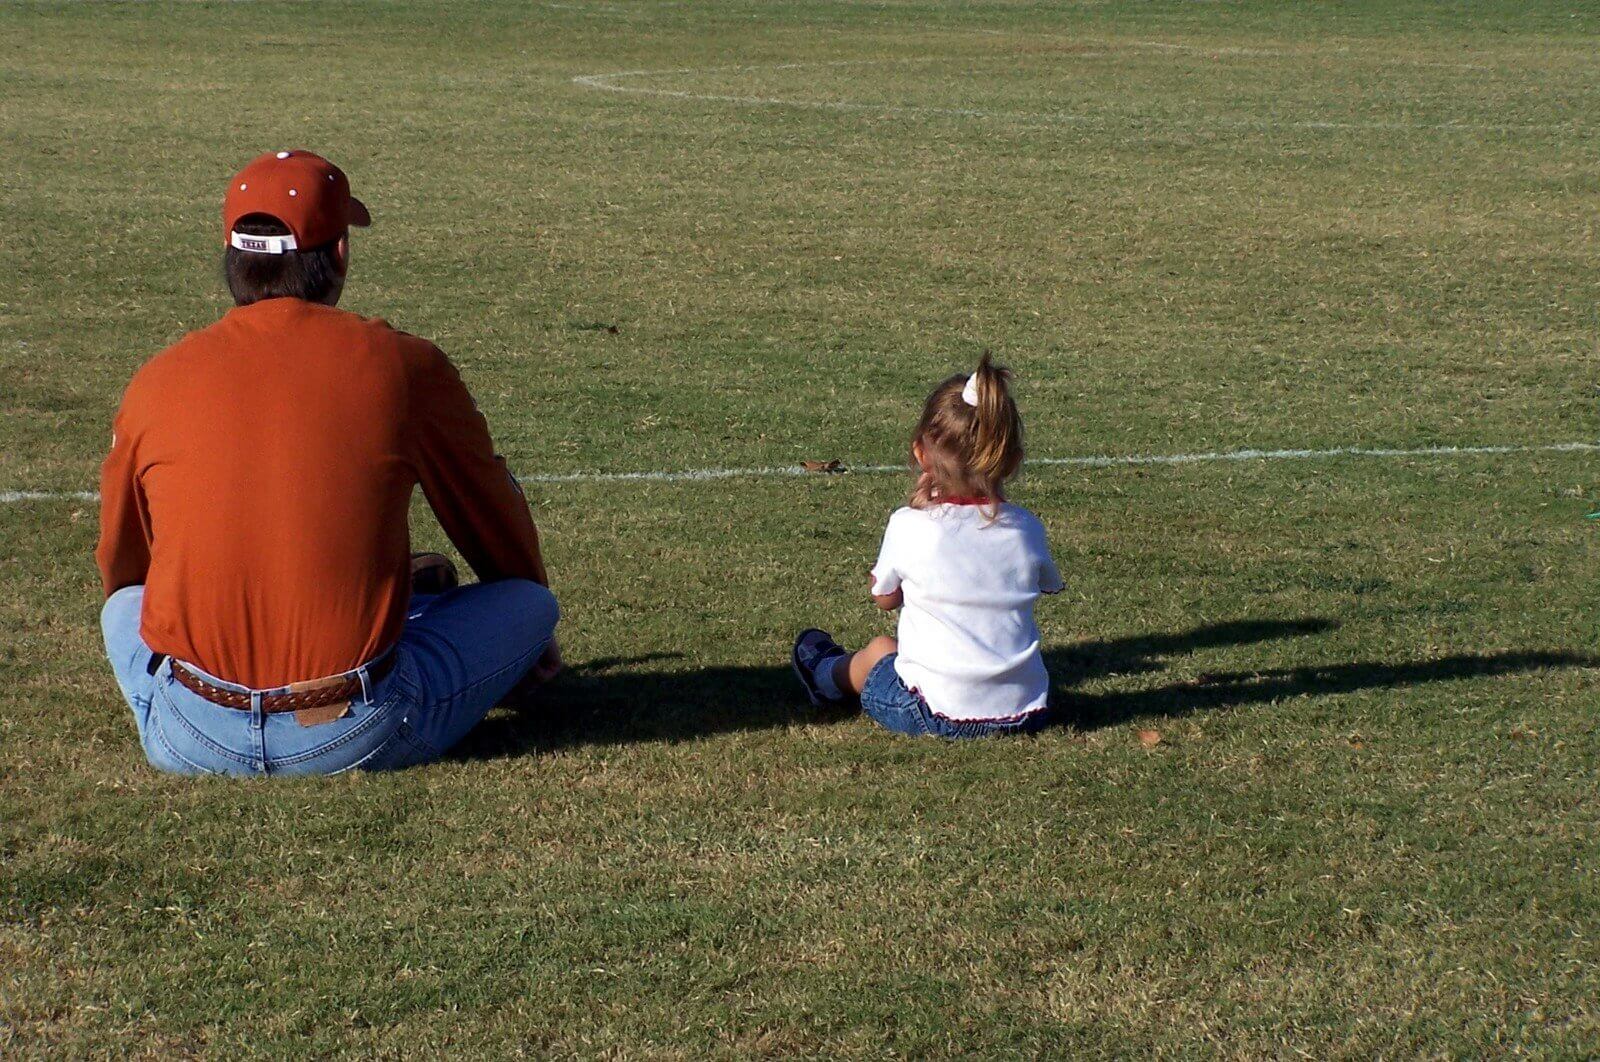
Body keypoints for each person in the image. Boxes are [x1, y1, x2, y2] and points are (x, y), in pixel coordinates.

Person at [96, 150, 559, 775]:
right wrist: (525, 633)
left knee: (122, 606)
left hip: (189, 733)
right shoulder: (403, 365)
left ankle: (403, 608)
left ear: (234, 256)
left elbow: (125, 563)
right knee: (530, 607)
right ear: (338, 253)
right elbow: (488, 512)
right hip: (352, 729)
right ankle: (411, 612)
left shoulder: (157, 378)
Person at [790, 354, 1062, 737]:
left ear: (921, 453)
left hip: (935, 712)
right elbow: (1046, 584)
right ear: (1012, 460)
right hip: (1029, 712)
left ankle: (824, 676)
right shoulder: (1026, 528)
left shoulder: (911, 525)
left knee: (883, 649)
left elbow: (884, 598)